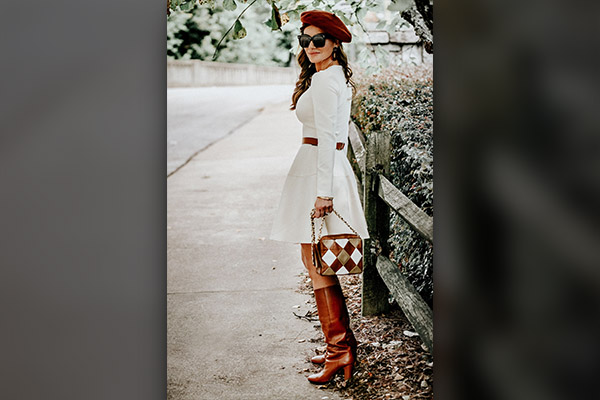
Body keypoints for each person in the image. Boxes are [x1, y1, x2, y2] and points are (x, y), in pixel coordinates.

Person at [269, 10, 370, 384]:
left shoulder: (328, 80)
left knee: (317, 259)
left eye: (318, 40)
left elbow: (329, 138)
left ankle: (339, 351)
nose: (311, 47)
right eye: (305, 40)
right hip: (315, 168)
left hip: (319, 172)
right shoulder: (325, 76)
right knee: (315, 258)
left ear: (334, 44)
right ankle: (339, 347)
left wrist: (324, 193)